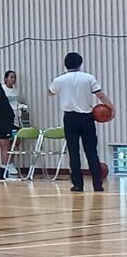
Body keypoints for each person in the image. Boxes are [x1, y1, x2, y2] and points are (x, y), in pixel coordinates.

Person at [48, 52, 115, 193]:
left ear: (65, 65)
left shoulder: (59, 79)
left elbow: (50, 92)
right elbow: (100, 95)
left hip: (70, 118)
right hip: (86, 118)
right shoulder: (88, 77)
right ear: (80, 63)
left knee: (73, 152)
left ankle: (78, 185)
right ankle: (97, 184)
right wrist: (111, 108)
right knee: (91, 151)